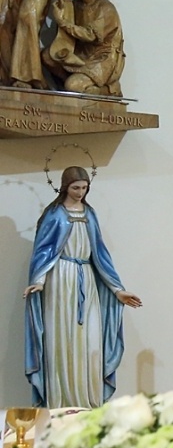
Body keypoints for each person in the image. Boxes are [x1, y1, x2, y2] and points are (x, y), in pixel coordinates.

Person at [24, 165, 141, 408]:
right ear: (65, 186)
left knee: (90, 343)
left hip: (86, 280)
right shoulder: (54, 214)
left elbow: (100, 254)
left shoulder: (90, 214)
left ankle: (89, 403)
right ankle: (60, 403)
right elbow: (44, 252)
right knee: (62, 343)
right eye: (75, 187)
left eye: (84, 188)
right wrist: (39, 280)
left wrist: (117, 289)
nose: (80, 192)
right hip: (59, 281)